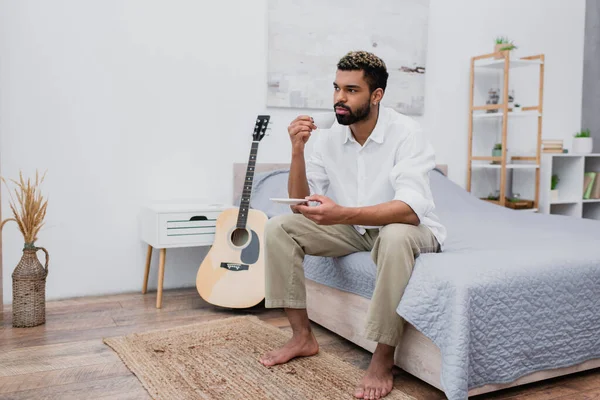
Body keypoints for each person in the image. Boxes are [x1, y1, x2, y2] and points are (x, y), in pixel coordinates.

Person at [258, 50, 446, 400]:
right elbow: (301, 205)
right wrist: (297, 150)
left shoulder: (407, 133)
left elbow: (409, 209)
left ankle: (383, 355)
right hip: (354, 230)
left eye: (351, 90)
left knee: (393, 237)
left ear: (376, 96)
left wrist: (342, 213)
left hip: (406, 228)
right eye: (336, 88)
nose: (339, 99)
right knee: (279, 228)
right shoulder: (328, 136)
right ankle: (302, 336)